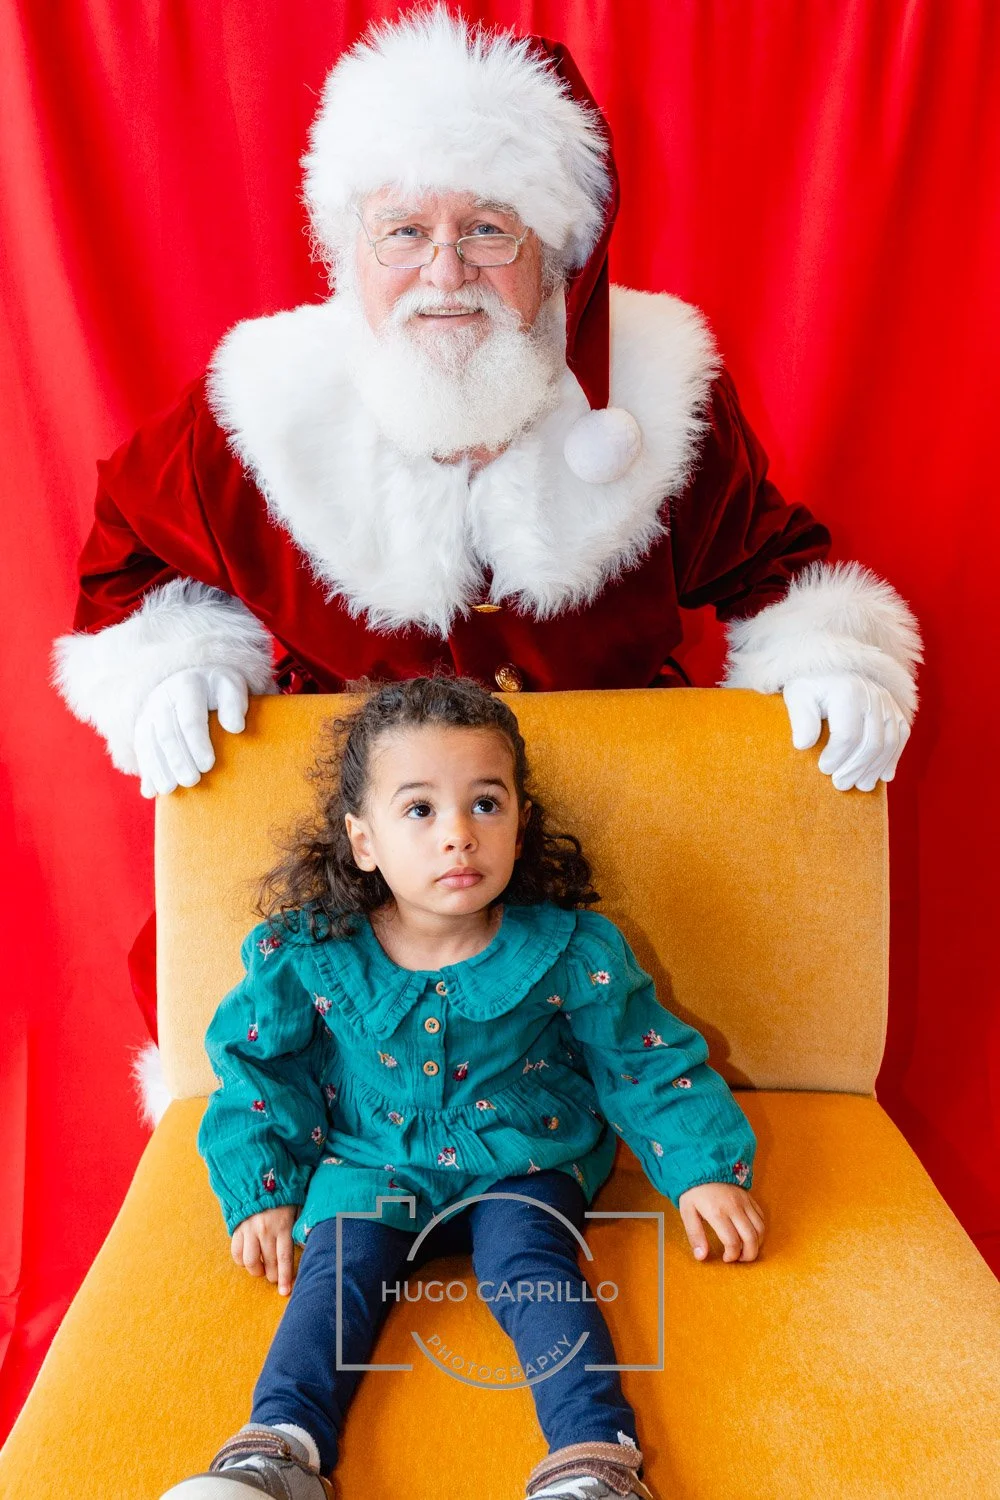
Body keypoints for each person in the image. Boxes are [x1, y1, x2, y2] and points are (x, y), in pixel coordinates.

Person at [49, 7, 922, 1092]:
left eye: (489, 230)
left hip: (611, 877)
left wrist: (833, 658)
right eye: (402, 231)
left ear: (558, 255)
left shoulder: (659, 394)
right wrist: (173, 664)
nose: (444, 271)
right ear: (346, 248)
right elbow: (127, 557)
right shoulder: (260, 412)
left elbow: (775, 566)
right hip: (350, 893)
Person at [162, 675, 763, 1500]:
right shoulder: (311, 952)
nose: (459, 837)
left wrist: (703, 1169)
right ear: (363, 839)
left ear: (521, 822)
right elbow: (261, 1068)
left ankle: (594, 1464)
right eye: (420, 810)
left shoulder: (571, 948)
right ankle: (276, 1455)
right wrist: (263, 1189)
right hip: (370, 1162)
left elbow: (645, 1058)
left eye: (486, 804)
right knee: (337, 1267)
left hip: (523, 1158)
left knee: (532, 1264)